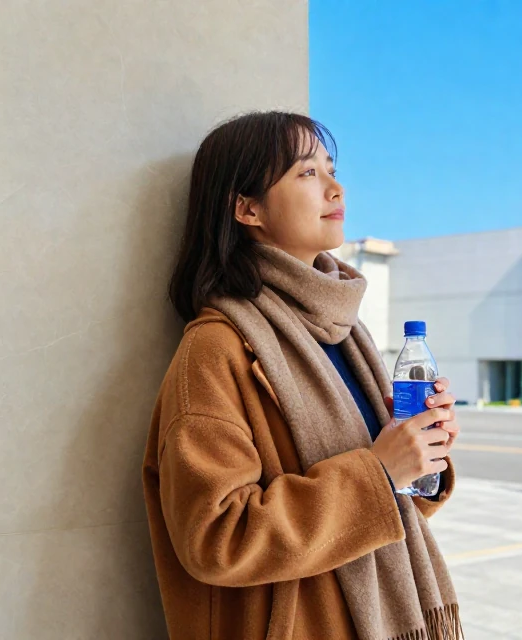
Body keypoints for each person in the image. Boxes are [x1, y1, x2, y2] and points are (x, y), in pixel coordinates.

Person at [142, 111, 464, 640]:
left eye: (332, 170)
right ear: (247, 208)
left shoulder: (344, 333)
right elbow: (216, 537)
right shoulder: (217, 347)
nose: (336, 188)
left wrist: (418, 457)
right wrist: (380, 473)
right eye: (307, 173)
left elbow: (379, 518)